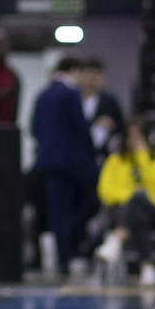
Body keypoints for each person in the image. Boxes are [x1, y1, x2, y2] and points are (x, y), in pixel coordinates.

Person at [32, 57, 97, 276]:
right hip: (71, 164)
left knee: (57, 212)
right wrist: (91, 153)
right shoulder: (70, 94)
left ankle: (62, 258)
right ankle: (69, 254)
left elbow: (34, 128)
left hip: (48, 163)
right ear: (74, 70)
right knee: (80, 205)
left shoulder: (42, 95)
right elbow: (81, 128)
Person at [93, 118, 155, 285]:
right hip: (124, 212)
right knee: (137, 212)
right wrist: (131, 196)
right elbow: (105, 191)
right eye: (130, 137)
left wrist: (143, 157)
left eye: (138, 137)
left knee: (140, 200)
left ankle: (116, 240)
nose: (133, 141)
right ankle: (147, 267)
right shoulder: (115, 160)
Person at [77, 56, 124, 155]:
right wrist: (94, 124)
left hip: (102, 153)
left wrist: (111, 125)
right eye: (90, 74)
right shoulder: (74, 99)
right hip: (78, 151)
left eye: (98, 74)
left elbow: (121, 124)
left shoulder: (109, 100)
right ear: (82, 75)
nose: (93, 78)